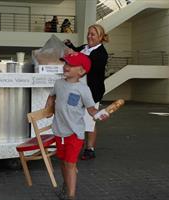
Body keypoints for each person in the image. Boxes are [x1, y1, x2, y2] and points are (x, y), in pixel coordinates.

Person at [45, 52, 109, 200]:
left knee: (70, 164)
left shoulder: (83, 89)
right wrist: (48, 106)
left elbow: (91, 109)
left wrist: (99, 114)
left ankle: (71, 196)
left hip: (74, 133)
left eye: (71, 65)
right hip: (59, 131)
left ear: (81, 71)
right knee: (62, 162)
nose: (66, 66)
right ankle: (66, 185)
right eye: (65, 63)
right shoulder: (58, 83)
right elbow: (52, 95)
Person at [64, 24, 109, 160]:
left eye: (93, 34)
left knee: (90, 121)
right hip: (75, 90)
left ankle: (90, 149)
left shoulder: (102, 54)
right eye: (88, 33)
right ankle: (73, 145)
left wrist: (75, 56)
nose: (89, 36)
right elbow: (78, 51)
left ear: (100, 37)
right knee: (72, 115)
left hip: (91, 92)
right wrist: (71, 46)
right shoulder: (85, 47)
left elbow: (87, 65)